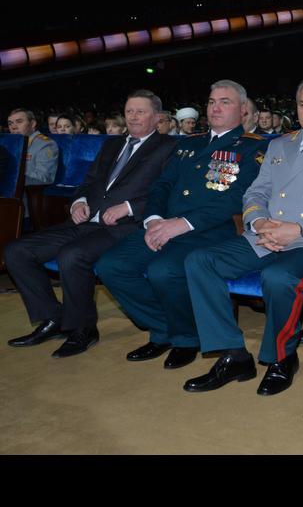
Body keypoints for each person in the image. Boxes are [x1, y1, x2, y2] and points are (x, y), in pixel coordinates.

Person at [181, 75, 303, 395]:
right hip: (266, 235)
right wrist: (258, 223)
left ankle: (281, 358)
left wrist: (297, 229)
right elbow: (257, 192)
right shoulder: (279, 144)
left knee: (278, 277)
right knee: (200, 261)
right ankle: (232, 354)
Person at [95, 80, 268, 370]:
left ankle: (186, 338)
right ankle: (165, 328)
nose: (215, 107)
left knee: (163, 271)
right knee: (111, 266)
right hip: (162, 225)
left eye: (225, 102)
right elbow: (161, 186)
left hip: (208, 231)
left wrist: (183, 224)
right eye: (212, 101)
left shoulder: (253, 149)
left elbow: (237, 199)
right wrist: (153, 220)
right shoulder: (188, 143)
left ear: (243, 110)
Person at [5, 90, 178, 357]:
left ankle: (83, 329)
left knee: (72, 255)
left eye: (140, 111)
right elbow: (89, 182)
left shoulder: (170, 147)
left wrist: (129, 207)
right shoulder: (111, 144)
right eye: (129, 110)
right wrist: (79, 202)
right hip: (87, 220)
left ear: (157, 117)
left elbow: (170, 192)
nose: (132, 116)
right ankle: (53, 319)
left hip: (125, 226)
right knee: (16, 251)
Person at [6, 108, 58, 187]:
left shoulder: (45, 144)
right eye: (10, 123)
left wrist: (10, 177)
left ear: (33, 123)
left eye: (19, 122)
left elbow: (45, 177)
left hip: (26, 193)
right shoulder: (8, 144)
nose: (13, 127)